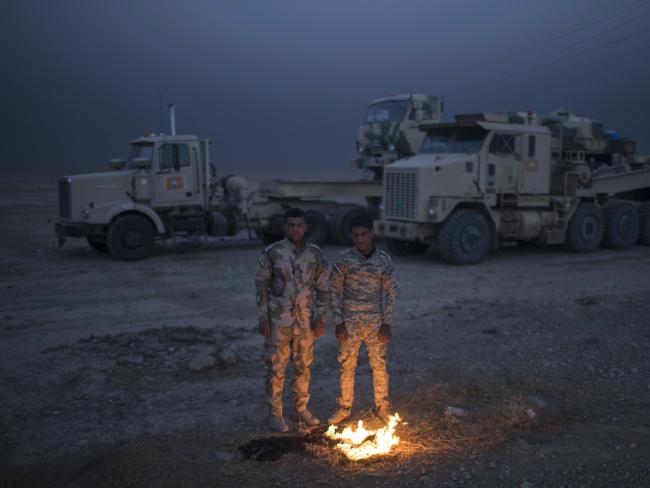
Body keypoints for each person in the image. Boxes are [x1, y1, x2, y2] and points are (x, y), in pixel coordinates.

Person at [255, 208, 329, 433]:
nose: (295, 229)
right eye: (291, 225)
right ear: (284, 227)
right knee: (276, 368)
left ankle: (300, 409)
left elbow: (324, 289)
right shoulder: (272, 253)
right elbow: (261, 287)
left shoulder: (315, 254)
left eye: (299, 225)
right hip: (279, 322)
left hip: (305, 322)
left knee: (303, 367)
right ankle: (275, 414)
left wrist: (321, 318)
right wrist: (263, 318)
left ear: (306, 227)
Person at [328, 214, 397, 425]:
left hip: (376, 323)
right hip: (349, 323)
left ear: (372, 234)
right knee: (347, 366)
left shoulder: (384, 260)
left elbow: (391, 293)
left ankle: (383, 407)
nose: (360, 239)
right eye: (356, 235)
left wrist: (387, 323)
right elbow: (334, 291)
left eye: (364, 234)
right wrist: (338, 322)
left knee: (379, 366)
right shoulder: (344, 259)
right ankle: (344, 407)